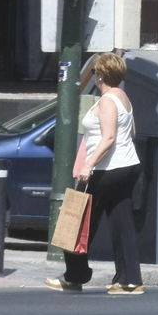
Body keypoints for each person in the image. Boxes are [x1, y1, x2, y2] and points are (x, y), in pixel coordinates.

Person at [46, 52, 144, 295]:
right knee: (122, 222)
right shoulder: (123, 97)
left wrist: (88, 164)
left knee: (75, 220)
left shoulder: (108, 101)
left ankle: (75, 276)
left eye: (95, 72)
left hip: (105, 169)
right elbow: (132, 132)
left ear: (100, 75)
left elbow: (109, 137)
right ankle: (130, 280)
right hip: (127, 166)